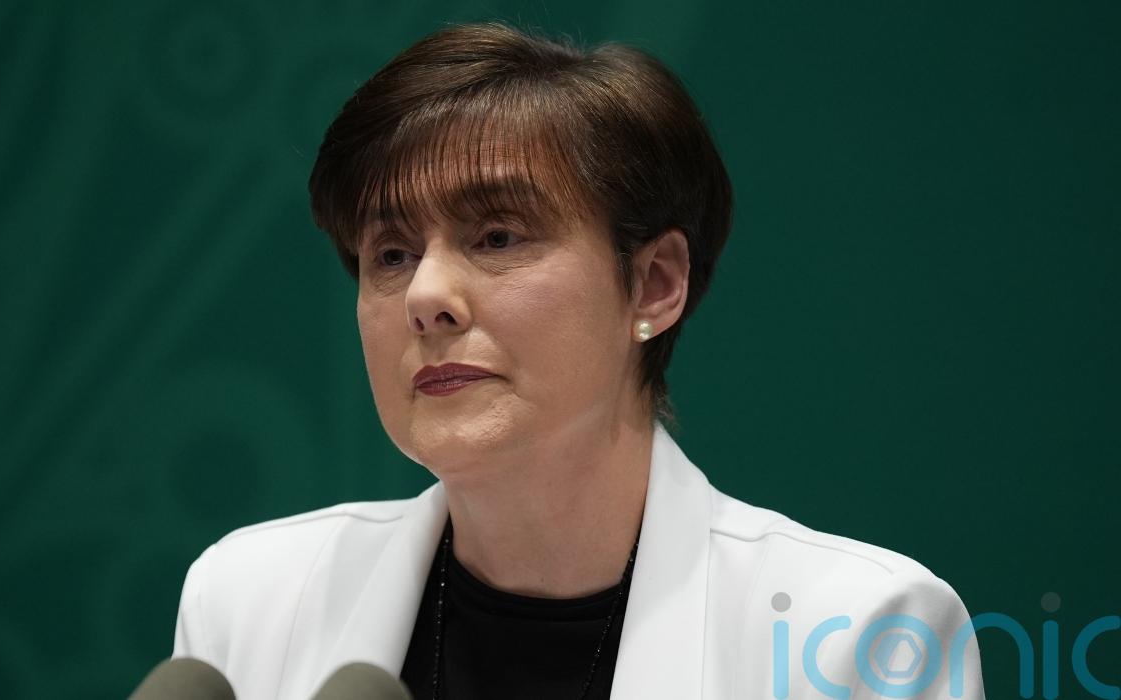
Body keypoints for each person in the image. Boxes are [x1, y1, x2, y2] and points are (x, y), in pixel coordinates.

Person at [172, 22, 984, 700]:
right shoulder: (250, 601)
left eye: (497, 236)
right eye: (390, 254)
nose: (426, 295)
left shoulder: (855, 636)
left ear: (653, 285)